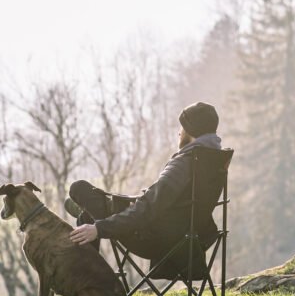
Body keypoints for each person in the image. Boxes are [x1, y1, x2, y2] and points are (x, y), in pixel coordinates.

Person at [67, 101, 224, 260]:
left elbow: (148, 206)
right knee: (86, 217)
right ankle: (87, 215)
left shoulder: (185, 163)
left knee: (79, 189)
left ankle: (88, 277)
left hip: (154, 240)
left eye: (182, 127)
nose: (179, 132)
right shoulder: (213, 162)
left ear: (191, 131)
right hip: (189, 239)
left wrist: (99, 229)